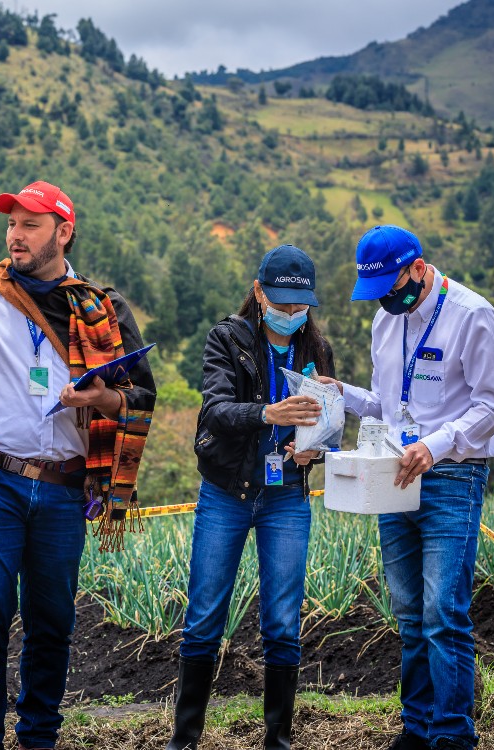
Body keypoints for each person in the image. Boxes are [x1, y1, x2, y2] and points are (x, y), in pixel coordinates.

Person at [0, 181, 156, 750]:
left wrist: (98, 400)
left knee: (53, 621)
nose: (16, 235)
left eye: (30, 225)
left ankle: (39, 736)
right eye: (12, 224)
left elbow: (139, 396)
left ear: (63, 233)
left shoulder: (102, 308)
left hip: (64, 486)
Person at [319, 225, 494, 750]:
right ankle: (417, 725)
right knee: (406, 609)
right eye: (377, 294)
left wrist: (438, 445)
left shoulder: (473, 317)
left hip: (451, 475)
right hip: (394, 473)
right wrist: (345, 394)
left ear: (418, 268)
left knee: (442, 611)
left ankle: (451, 734)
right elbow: (387, 403)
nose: (386, 301)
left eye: (393, 287)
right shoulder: (386, 320)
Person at [167, 245, 332, 750]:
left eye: (298, 307)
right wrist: (270, 413)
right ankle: (185, 738)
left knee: (283, 624)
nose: (289, 315)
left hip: (287, 497)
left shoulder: (316, 351)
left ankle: (277, 740)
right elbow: (216, 411)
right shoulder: (227, 338)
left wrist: (314, 451)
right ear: (259, 293)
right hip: (226, 494)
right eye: (280, 304)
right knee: (204, 620)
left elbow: (327, 428)